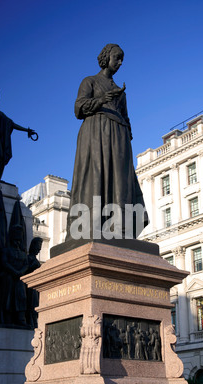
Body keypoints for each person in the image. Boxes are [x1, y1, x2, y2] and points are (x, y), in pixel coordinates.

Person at [66, 44, 148, 240]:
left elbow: (127, 119)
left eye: (122, 60)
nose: (119, 63)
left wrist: (126, 137)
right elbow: (78, 109)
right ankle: (90, 224)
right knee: (96, 176)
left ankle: (119, 227)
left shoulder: (121, 92)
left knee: (120, 181)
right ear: (106, 57)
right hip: (95, 133)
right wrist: (102, 99)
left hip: (119, 137)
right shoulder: (90, 81)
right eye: (117, 58)